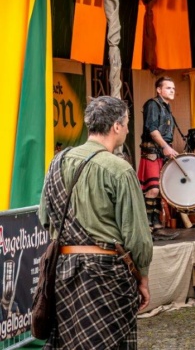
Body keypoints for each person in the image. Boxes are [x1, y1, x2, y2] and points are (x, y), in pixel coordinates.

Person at [38, 96, 153, 348]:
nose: (126, 128)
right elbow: (137, 235)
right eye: (126, 123)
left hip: (65, 271)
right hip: (107, 273)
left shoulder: (57, 162)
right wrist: (142, 277)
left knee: (70, 342)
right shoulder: (119, 169)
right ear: (116, 126)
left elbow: (44, 218)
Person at [137, 77, 179, 231]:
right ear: (159, 90)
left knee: (160, 190)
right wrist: (165, 147)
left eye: (173, 88)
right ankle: (146, 224)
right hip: (152, 152)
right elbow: (152, 130)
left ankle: (155, 223)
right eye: (168, 88)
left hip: (161, 153)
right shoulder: (152, 104)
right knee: (153, 189)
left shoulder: (167, 108)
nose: (172, 90)